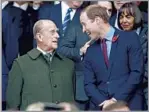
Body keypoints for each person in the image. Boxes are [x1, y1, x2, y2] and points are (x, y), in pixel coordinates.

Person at [80, 5, 144, 110]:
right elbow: (88, 84)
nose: (83, 30)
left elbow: (136, 73)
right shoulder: (90, 50)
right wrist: (104, 103)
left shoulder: (130, 38)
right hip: (101, 106)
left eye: (84, 24)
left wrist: (115, 101)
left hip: (130, 103)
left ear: (97, 20)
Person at [6, 20, 75, 110]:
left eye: (57, 32)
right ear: (39, 36)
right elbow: (12, 103)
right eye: (52, 32)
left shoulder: (69, 64)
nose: (57, 36)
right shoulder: (20, 64)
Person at [117, 2, 148, 109]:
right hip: (123, 91)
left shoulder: (146, 34)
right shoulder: (118, 37)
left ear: (137, 17)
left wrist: (131, 82)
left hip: (144, 89)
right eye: (121, 17)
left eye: (128, 17)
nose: (123, 21)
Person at [57, 23, 91, 110]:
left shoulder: (113, 32)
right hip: (81, 89)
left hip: (105, 91)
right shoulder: (76, 30)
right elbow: (62, 50)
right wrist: (80, 51)